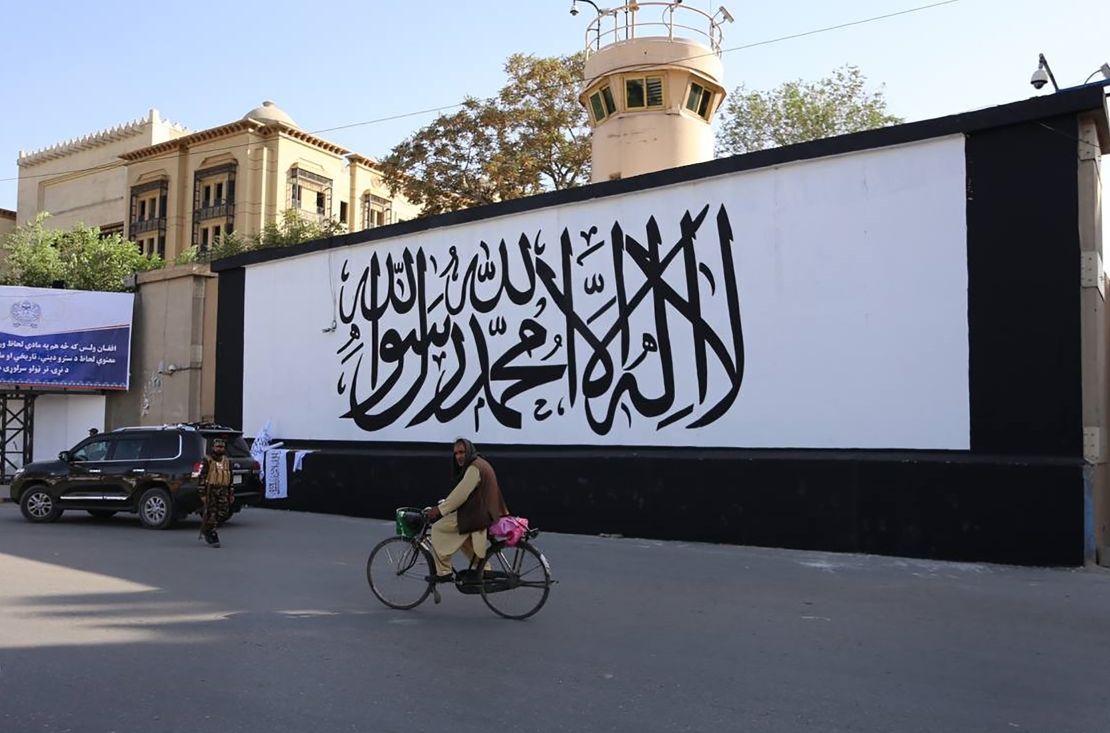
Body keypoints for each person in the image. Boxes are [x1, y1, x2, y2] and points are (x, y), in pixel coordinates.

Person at [423, 438, 509, 582]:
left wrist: (438, 510)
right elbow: (465, 493)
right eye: (456, 453)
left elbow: (460, 495)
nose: (458, 456)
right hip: (485, 512)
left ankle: (443, 571)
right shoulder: (480, 463)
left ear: (469, 451)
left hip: (477, 515)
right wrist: (447, 504)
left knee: (437, 528)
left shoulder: (474, 468)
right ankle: (484, 568)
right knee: (461, 537)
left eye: (462, 452)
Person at [197, 438, 234, 548]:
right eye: (217, 447)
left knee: (223, 513)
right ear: (213, 447)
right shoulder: (207, 461)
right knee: (211, 513)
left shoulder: (227, 461)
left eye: (221, 447)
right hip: (211, 490)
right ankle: (211, 534)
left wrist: (231, 493)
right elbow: (202, 478)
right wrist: (202, 494)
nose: (219, 449)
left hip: (223, 490)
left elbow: (230, 478)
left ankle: (207, 528)